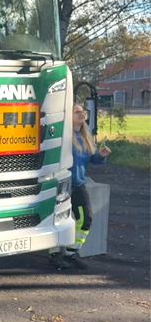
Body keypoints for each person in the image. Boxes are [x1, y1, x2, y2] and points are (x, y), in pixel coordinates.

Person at [50, 103, 111, 270]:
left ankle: (71, 253)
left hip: (78, 183)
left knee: (86, 218)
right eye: (77, 112)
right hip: (62, 183)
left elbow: (92, 159)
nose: (81, 114)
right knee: (58, 218)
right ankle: (55, 255)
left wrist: (102, 156)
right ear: (69, 116)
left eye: (83, 111)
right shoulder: (64, 136)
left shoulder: (85, 136)